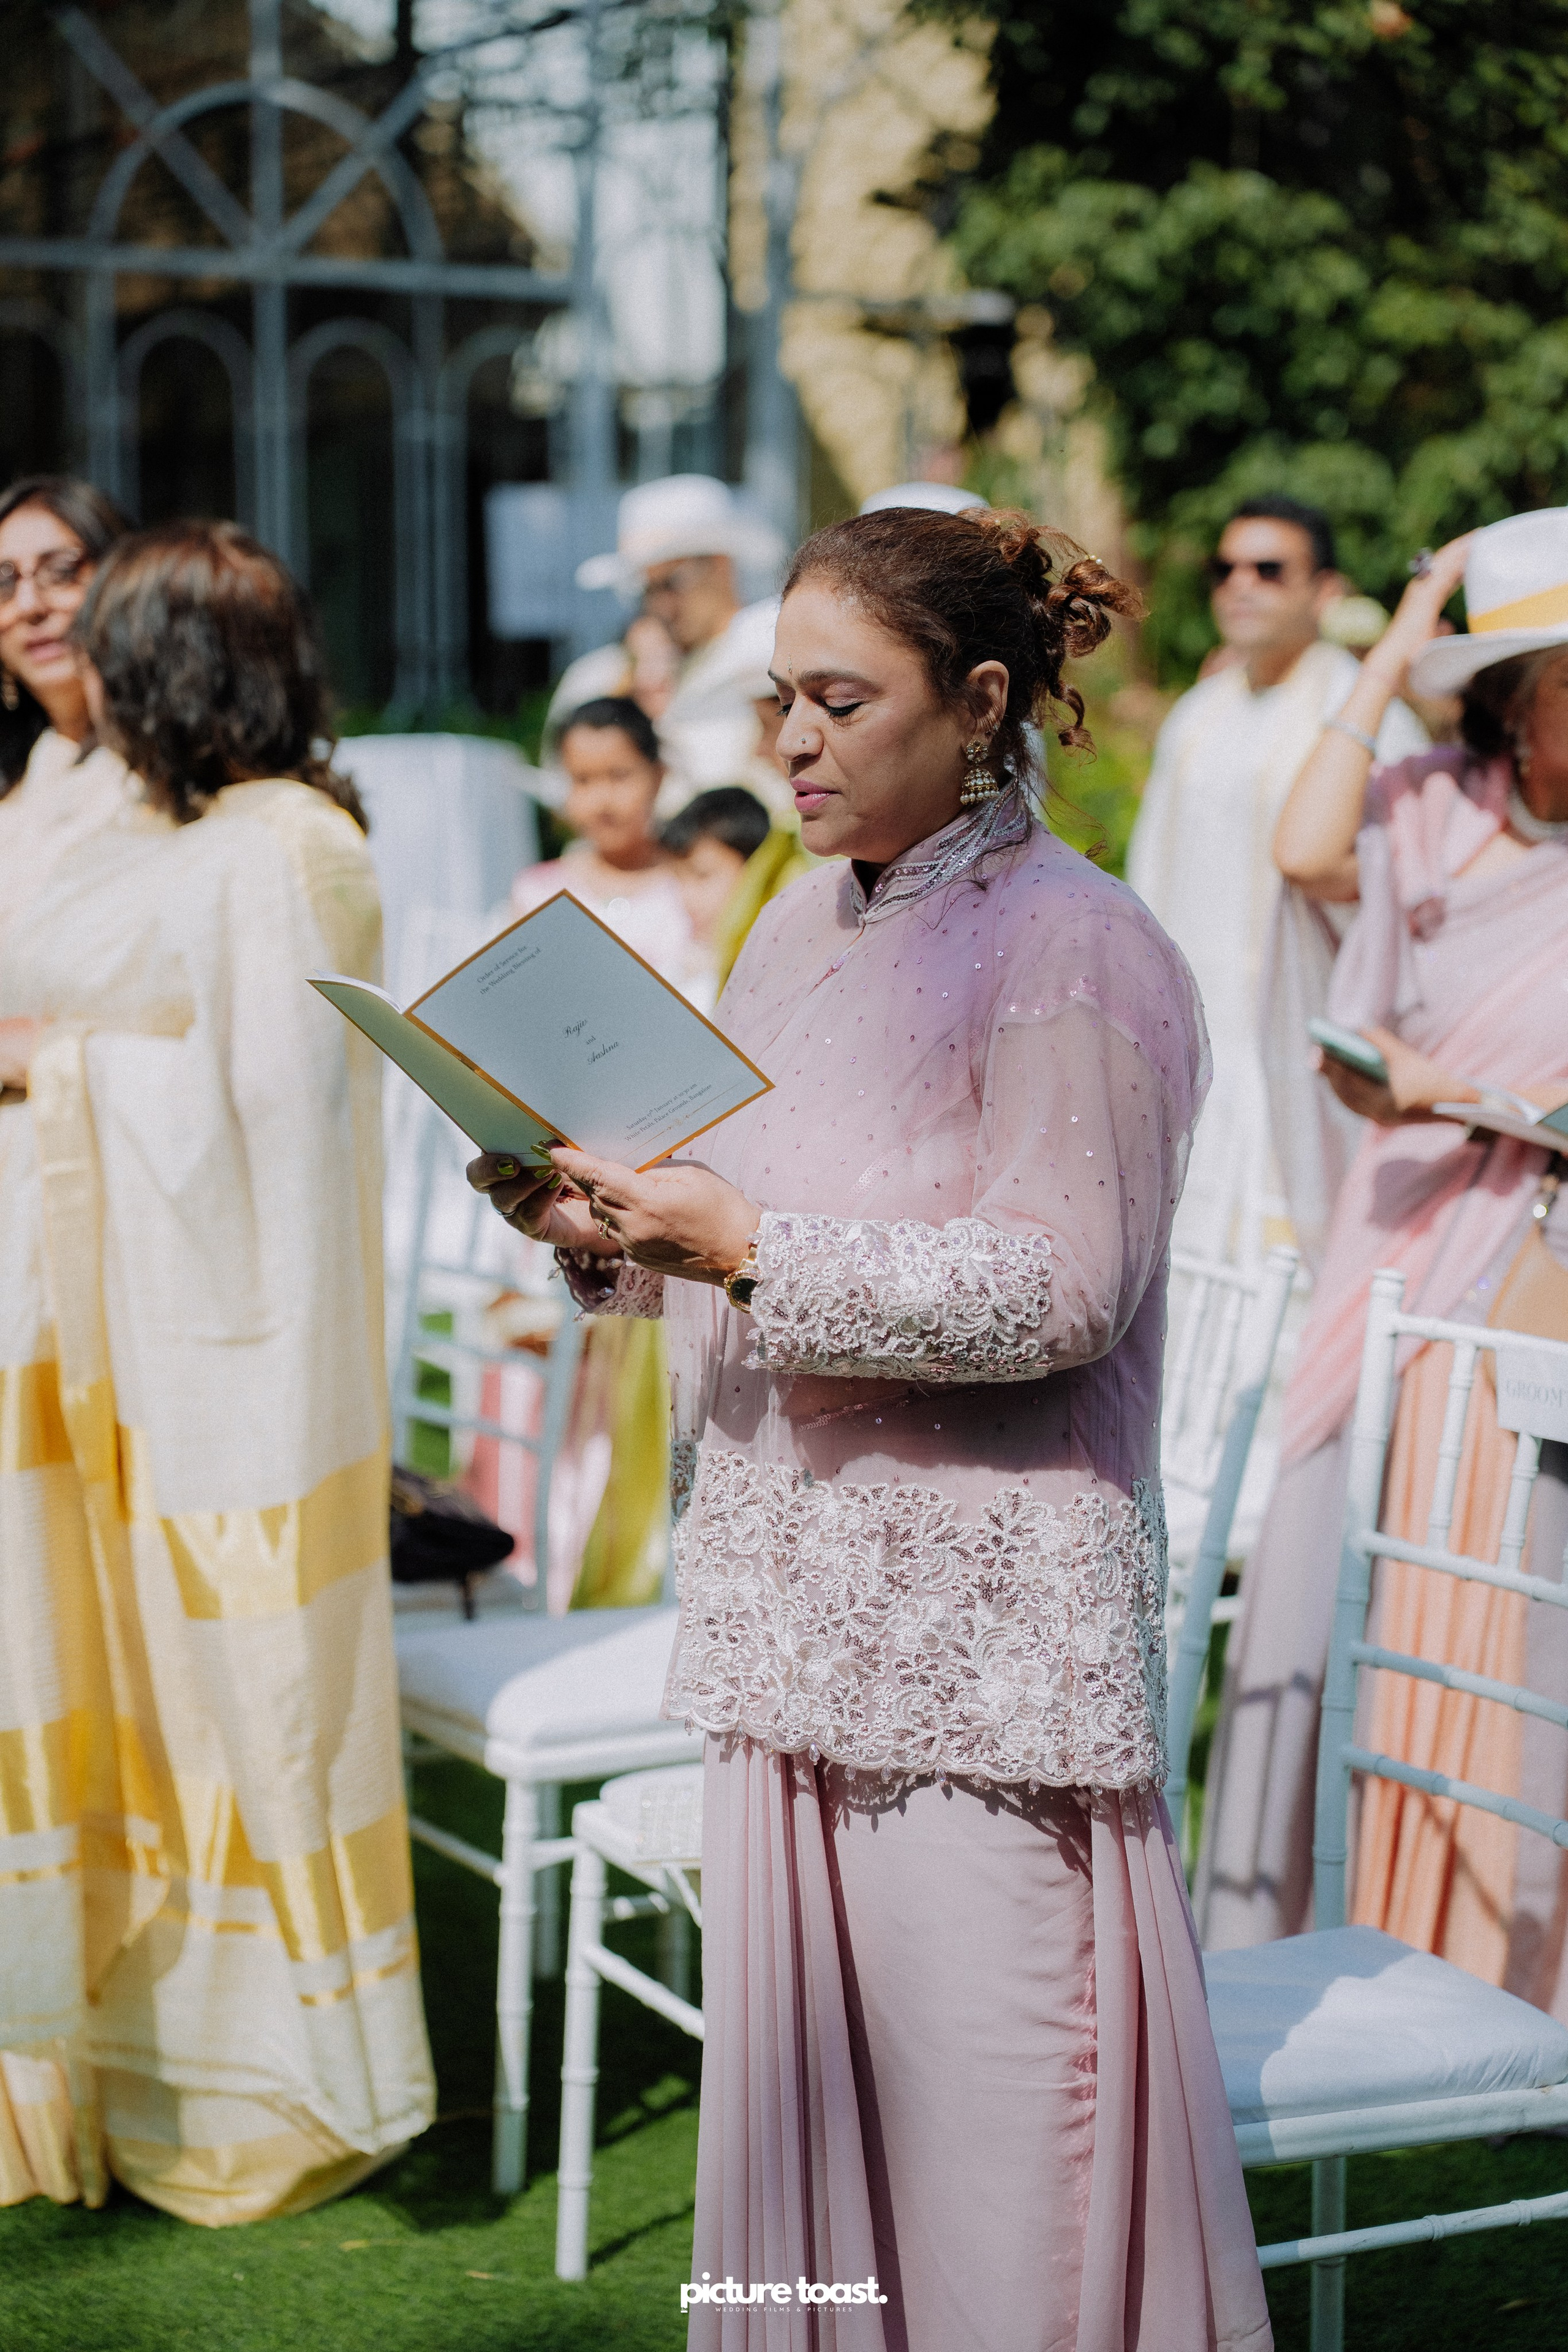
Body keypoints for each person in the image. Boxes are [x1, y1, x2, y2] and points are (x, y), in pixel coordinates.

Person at [470, 507, 1272, 2351]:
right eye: (778, 703)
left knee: (1001, 2170)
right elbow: (739, 1213)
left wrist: (737, 1239)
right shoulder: (796, 930)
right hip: (783, 1617)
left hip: (969, 1653)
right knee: (813, 2166)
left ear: (981, 700)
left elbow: (1061, 1289)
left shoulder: (1080, 948)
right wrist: (608, 1230)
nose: (795, 745)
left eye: (842, 700)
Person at [0, 521, 434, 2220]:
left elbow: (274, 1124)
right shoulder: (182, 829)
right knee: (119, 1704)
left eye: (110, 640)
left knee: (243, 1707)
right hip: (94, 1336)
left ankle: (284, 2080)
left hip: (228, 1367)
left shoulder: (286, 848)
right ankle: (117, 2040)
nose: (77, 666)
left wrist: (54, 1067)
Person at [1197, 510, 1568, 2015]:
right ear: (1507, 701)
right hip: (1405, 1228)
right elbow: (1296, 845)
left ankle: (1508, 1945)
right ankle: (1334, 1915)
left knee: (1510, 1582)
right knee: (1344, 1531)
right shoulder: (1423, 799)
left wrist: (1475, 1101)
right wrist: (1422, 606)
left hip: (1538, 1248)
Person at [1127, 496, 1426, 1268]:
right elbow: (1150, 875)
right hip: (1195, 1042)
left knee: (1292, 1275)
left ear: (1325, 592)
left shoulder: (1363, 718)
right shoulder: (1197, 713)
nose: (1239, 585)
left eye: (1268, 569)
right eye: (1225, 568)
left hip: (1308, 1040)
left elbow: (1412, 880)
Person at [576, 476, 786, 810]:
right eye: (648, 591)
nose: (660, 606)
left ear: (719, 566)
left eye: (671, 584)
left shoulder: (768, 654)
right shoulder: (629, 671)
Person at [0, 476, 137, 947]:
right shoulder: (18, 783)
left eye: (60, 572)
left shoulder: (169, 777)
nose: (30, 606)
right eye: (3, 583)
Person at [510, 695, 693, 984]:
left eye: (619, 776)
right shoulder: (536, 895)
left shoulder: (692, 889)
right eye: (583, 780)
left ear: (658, 776)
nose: (602, 802)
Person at [660, 784, 772, 1011]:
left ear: (755, 869)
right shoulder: (675, 955)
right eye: (678, 879)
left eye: (703, 876)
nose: (687, 897)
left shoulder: (771, 966)